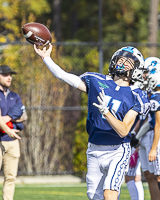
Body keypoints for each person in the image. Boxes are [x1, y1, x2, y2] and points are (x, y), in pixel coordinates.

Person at [34, 44, 150, 200]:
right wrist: (46, 58)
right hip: (94, 148)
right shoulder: (96, 80)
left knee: (109, 194)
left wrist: (106, 113)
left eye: (127, 62)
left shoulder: (136, 95)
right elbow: (65, 76)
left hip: (118, 150)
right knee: (94, 196)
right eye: (120, 60)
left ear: (135, 69)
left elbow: (123, 131)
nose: (121, 64)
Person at [0, 65, 27, 200]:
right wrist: (9, 129)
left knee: (10, 177)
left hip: (13, 142)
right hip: (2, 139)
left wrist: (8, 117)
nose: (9, 77)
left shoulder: (15, 96)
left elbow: (24, 116)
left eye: (10, 75)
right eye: (5, 75)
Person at [136, 57, 160, 200]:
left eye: (146, 73)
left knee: (158, 176)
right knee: (149, 175)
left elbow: (158, 124)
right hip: (148, 135)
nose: (143, 76)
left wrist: (154, 148)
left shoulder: (158, 97)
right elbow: (149, 121)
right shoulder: (152, 95)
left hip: (155, 139)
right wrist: (137, 136)